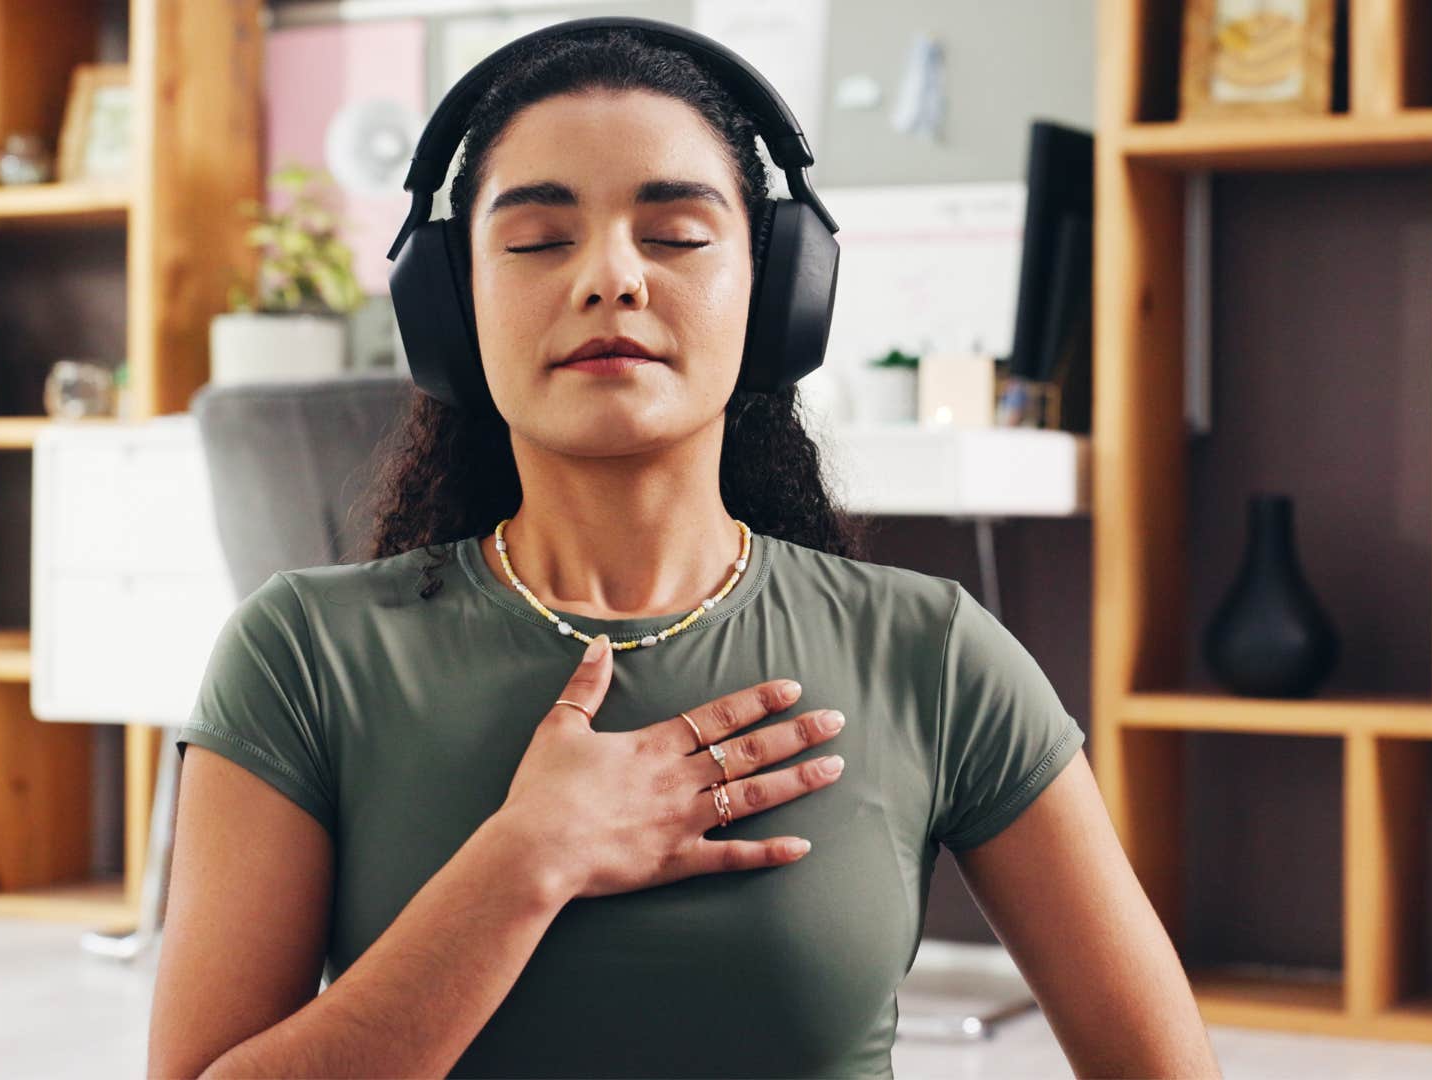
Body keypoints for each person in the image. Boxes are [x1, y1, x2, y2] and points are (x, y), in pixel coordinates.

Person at [148, 23, 1220, 1080]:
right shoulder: (300, 655)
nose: (612, 278)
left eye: (677, 235)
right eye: (535, 241)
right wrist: (528, 861)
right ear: (448, 306)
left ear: (778, 292)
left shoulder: (933, 653)